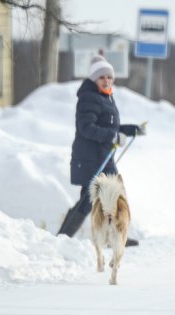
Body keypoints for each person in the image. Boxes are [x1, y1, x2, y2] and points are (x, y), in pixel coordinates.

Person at [57, 55, 145, 246]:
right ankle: (62, 238)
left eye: (109, 77)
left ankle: (114, 236)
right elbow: (86, 128)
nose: (106, 80)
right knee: (88, 202)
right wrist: (112, 137)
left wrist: (130, 130)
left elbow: (108, 126)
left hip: (103, 158)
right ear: (94, 79)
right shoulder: (89, 98)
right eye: (102, 77)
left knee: (114, 198)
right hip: (91, 160)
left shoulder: (105, 97)